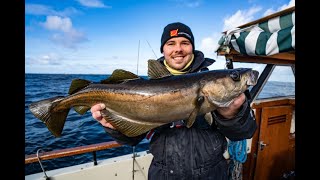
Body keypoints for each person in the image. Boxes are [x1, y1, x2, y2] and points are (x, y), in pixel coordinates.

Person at [90, 22, 257, 180]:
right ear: (163, 49)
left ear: (192, 47)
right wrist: (116, 127)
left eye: (185, 42)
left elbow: (244, 133)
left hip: (213, 173)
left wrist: (232, 115)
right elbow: (132, 138)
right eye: (171, 43)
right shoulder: (143, 87)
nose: (178, 49)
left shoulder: (228, 91)